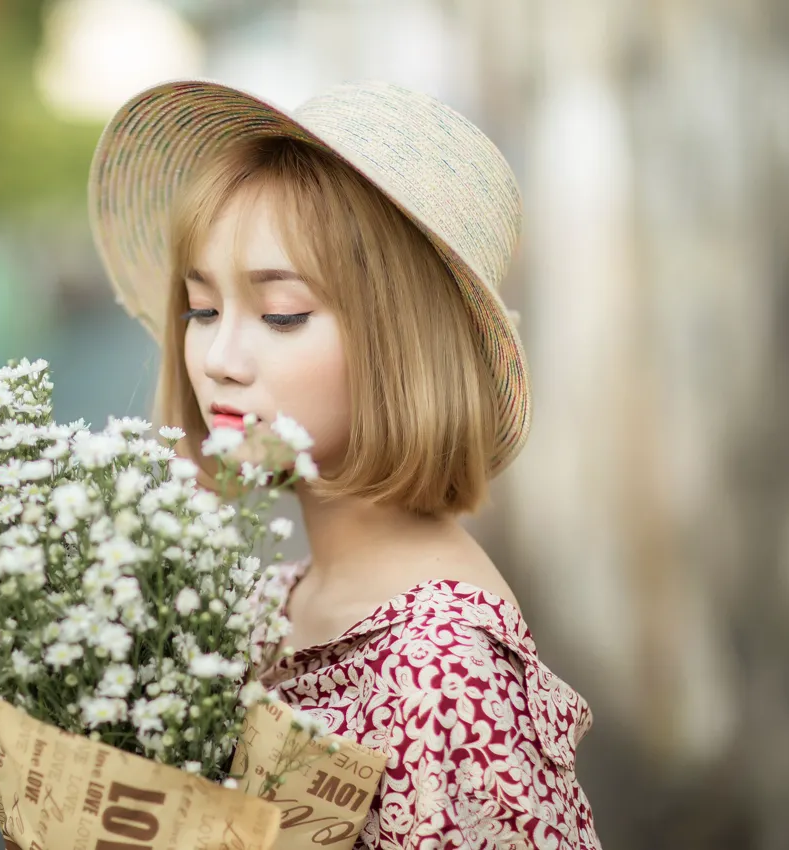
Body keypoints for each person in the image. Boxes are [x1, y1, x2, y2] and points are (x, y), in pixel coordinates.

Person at [88, 80, 600, 849]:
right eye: (201, 310)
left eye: (282, 314)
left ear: (405, 344)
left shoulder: (445, 672)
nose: (218, 359)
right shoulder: (266, 604)